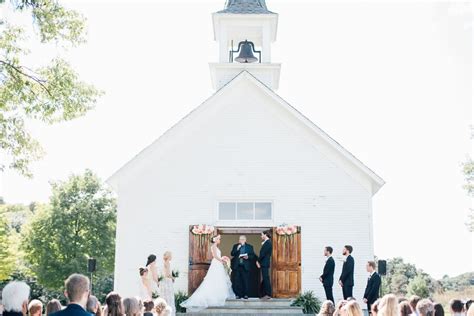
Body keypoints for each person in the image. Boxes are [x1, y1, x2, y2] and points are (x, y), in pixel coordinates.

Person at [180, 235, 235, 311]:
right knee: (214, 279)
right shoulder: (214, 246)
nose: (220, 240)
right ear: (215, 240)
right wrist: (222, 260)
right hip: (216, 263)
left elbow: (217, 256)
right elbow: (215, 256)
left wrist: (222, 258)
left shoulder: (216, 247)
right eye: (219, 239)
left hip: (217, 263)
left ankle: (217, 295)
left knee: (218, 279)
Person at [231, 235, 255, 299]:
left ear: (245, 240)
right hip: (237, 266)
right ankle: (238, 294)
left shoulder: (250, 247)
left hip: (245, 266)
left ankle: (246, 294)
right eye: (239, 239)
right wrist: (237, 249)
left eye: (241, 239)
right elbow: (232, 254)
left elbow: (252, 256)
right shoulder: (235, 246)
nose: (240, 240)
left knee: (245, 281)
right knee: (237, 281)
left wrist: (248, 257)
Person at [257, 230, 272, 299]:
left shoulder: (268, 243)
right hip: (264, 263)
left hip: (264, 263)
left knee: (266, 278)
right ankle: (262, 294)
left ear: (265, 235)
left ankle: (268, 294)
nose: (261, 236)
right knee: (265, 278)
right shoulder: (266, 243)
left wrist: (258, 261)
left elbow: (262, 254)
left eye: (262, 235)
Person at [159, 251, 176, 315]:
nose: (172, 256)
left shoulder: (164, 263)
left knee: (165, 297)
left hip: (164, 281)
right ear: (169, 256)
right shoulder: (168, 263)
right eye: (171, 255)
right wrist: (173, 278)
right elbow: (167, 274)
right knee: (169, 297)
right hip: (167, 282)